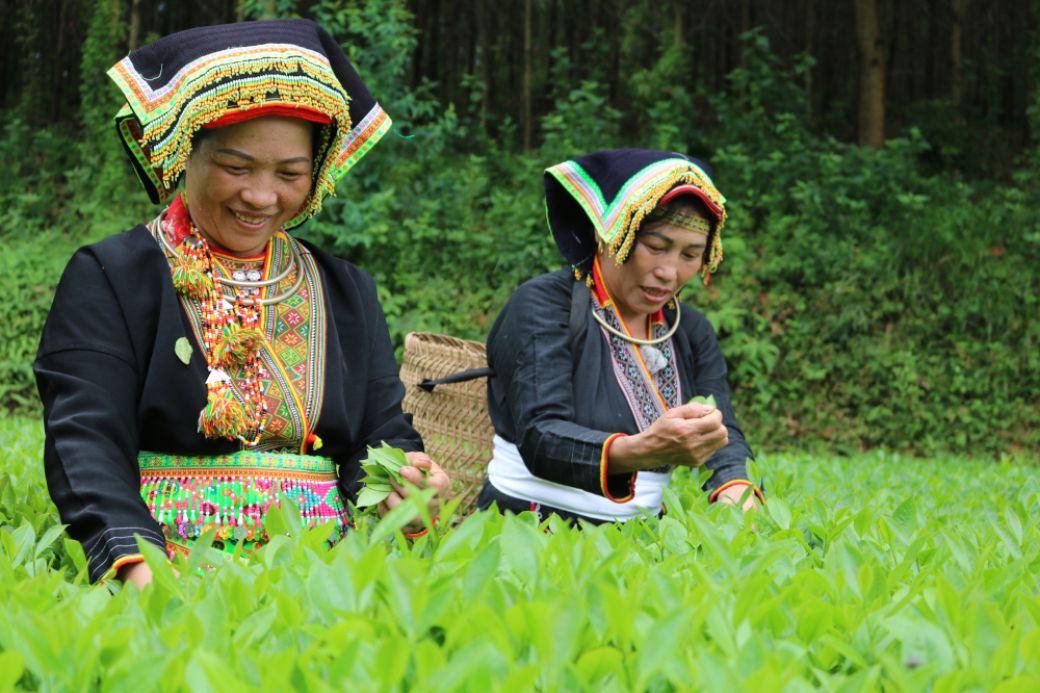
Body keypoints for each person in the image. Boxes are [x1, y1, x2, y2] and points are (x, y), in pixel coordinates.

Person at [35, 19, 448, 588]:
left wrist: (404, 479)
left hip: (322, 577)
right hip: (168, 564)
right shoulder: (111, 277)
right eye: (236, 167)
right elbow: (86, 440)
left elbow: (376, 434)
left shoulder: (346, 290)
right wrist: (138, 566)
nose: (261, 196)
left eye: (290, 174)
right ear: (186, 153)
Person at [477, 148, 762, 524]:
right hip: (529, 521)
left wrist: (734, 485)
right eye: (656, 247)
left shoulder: (690, 330)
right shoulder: (543, 305)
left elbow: (722, 433)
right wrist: (642, 449)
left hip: (643, 530)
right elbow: (541, 435)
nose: (669, 272)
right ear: (610, 233)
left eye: (691, 255)